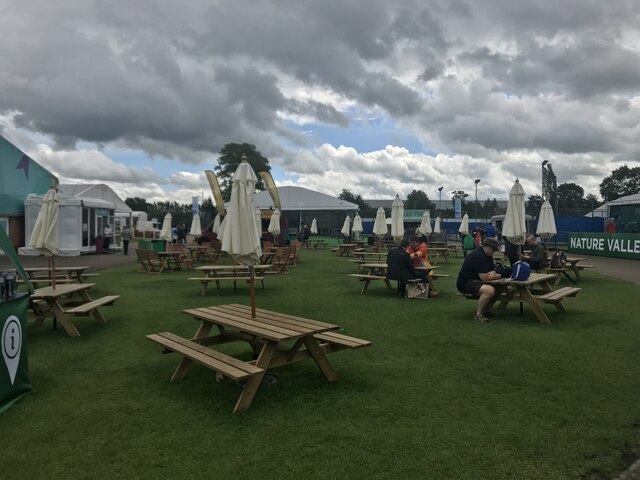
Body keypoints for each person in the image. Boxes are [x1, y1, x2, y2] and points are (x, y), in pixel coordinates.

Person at [456, 237, 503, 323]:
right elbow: (485, 277)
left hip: (475, 281)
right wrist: (500, 275)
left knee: (499, 287)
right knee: (490, 290)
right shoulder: (478, 256)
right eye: (493, 250)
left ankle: (486, 310)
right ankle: (479, 315)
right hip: (466, 283)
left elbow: (491, 271)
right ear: (487, 247)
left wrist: (493, 274)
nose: (494, 252)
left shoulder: (488, 255)